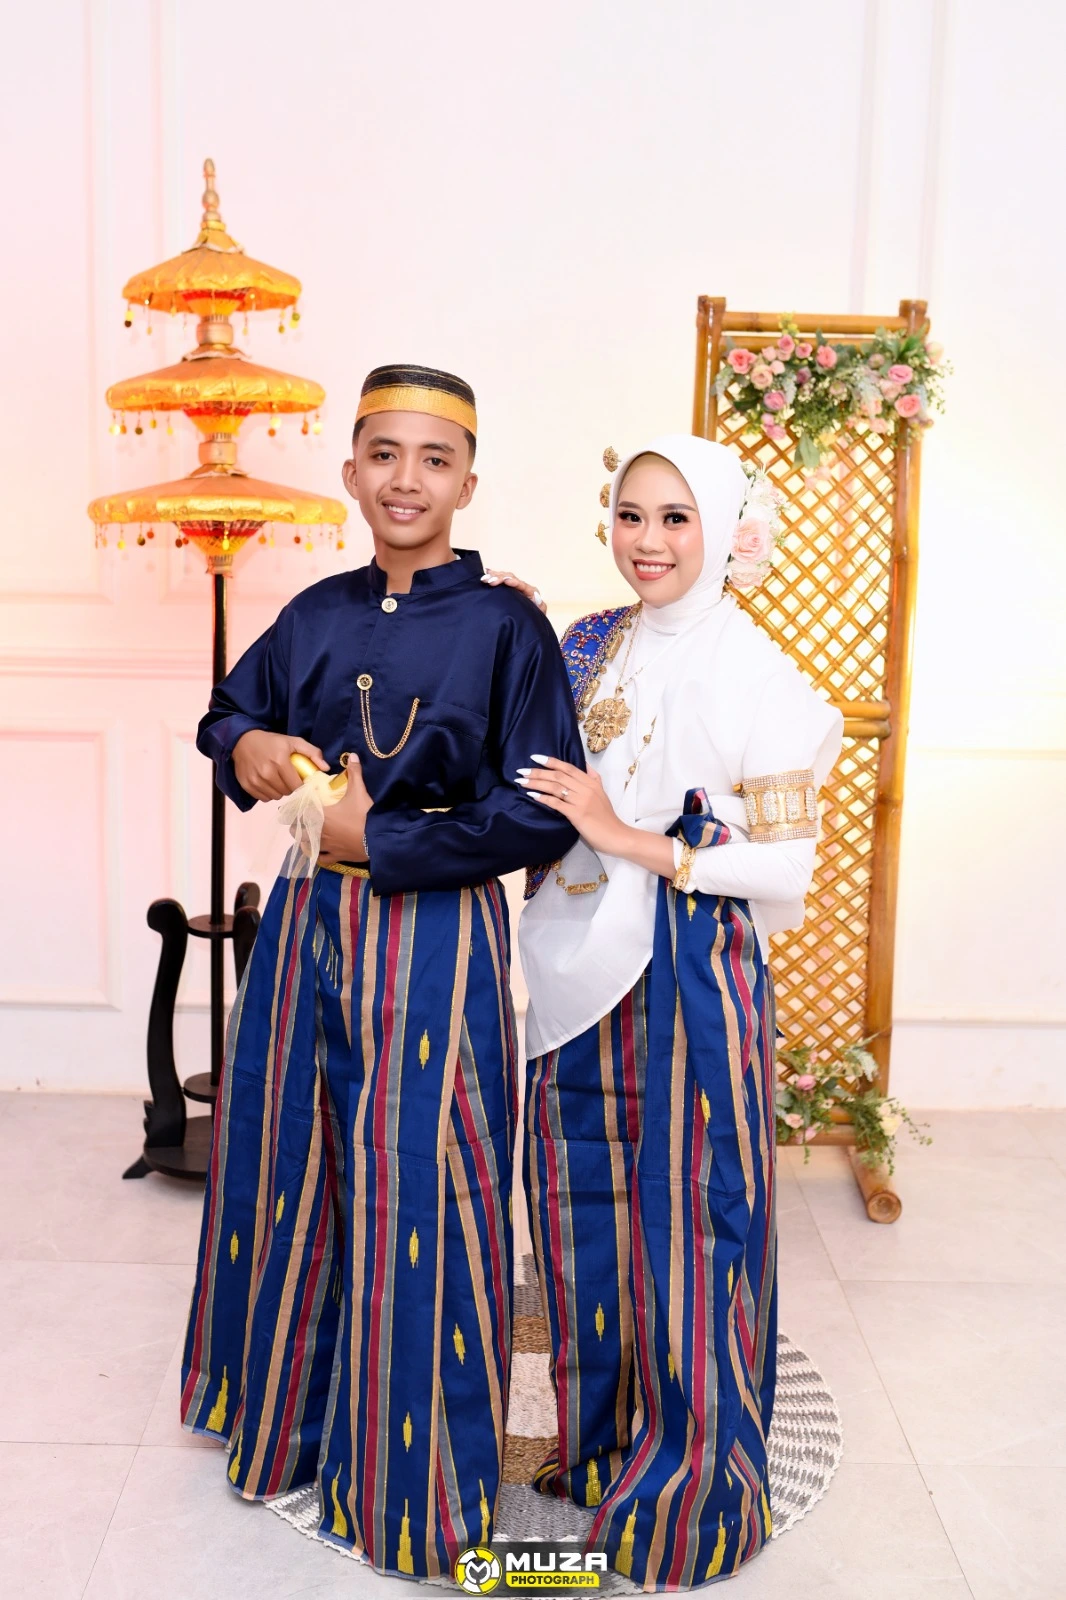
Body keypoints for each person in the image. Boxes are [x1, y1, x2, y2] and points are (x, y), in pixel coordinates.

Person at [180, 364, 583, 1580]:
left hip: (436, 934)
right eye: (385, 455)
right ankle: (288, 1423)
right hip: (308, 921)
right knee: (288, 1163)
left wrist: (387, 837)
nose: (407, 480)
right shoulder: (315, 610)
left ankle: (415, 1473)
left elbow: (541, 810)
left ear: (468, 482)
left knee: (425, 1187)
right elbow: (223, 715)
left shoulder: (506, 627)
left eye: (434, 459)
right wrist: (251, 741)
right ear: (351, 471)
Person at [514, 435, 843, 1588]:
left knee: (692, 1225)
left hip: (688, 970)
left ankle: (690, 1490)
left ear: (725, 533)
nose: (646, 541)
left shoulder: (765, 679)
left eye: (674, 518)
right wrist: (508, 629)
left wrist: (625, 836)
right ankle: (601, 1446)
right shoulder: (591, 642)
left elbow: (787, 863)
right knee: (581, 1209)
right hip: (573, 964)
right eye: (630, 514)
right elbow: (542, 756)